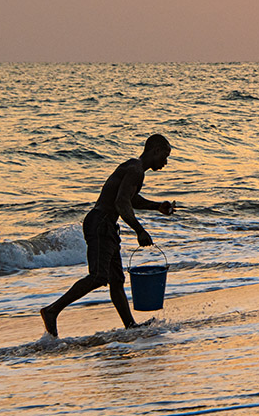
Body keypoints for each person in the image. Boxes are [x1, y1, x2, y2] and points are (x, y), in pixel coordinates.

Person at [40, 134, 175, 337]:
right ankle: (52, 310)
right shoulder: (135, 170)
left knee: (117, 279)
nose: (165, 162)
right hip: (101, 223)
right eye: (165, 156)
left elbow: (130, 198)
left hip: (105, 224)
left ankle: (130, 325)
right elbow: (121, 203)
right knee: (98, 276)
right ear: (155, 151)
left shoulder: (135, 169)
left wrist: (157, 206)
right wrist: (140, 230)